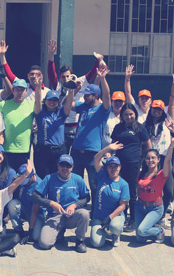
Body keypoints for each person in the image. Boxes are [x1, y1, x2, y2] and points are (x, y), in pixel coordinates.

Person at [65, 66, 112, 196]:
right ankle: (77, 208)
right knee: (75, 183)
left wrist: (102, 79)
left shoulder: (103, 109)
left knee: (94, 184)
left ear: (95, 96)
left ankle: (95, 211)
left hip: (93, 153)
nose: (84, 97)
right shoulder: (83, 106)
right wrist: (71, 91)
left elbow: (107, 96)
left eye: (87, 95)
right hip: (76, 151)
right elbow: (67, 107)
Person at [30, 154, 91, 252]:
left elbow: (87, 197)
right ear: (57, 165)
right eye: (62, 165)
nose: (65, 168)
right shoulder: (49, 178)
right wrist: (51, 203)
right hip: (54, 216)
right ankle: (60, 233)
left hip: (72, 215)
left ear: (72, 167)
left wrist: (74, 205)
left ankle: (80, 241)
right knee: (44, 244)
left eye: (68, 166)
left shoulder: (78, 179)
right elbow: (35, 196)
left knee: (84, 214)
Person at [111, 102, 151, 227]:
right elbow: (113, 143)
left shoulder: (140, 127)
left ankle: (133, 219)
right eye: (126, 115)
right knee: (119, 190)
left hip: (133, 163)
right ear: (122, 115)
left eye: (131, 114)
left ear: (135, 114)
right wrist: (110, 154)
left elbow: (148, 146)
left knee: (132, 192)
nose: (129, 117)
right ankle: (120, 215)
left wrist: (143, 160)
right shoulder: (118, 128)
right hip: (118, 164)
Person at [89, 144, 130, 249]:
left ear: (120, 167)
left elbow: (123, 206)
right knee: (96, 244)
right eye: (110, 166)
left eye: (116, 166)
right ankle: (105, 230)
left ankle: (115, 234)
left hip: (114, 216)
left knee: (115, 227)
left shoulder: (123, 184)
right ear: (106, 168)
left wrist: (110, 217)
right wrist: (108, 148)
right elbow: (96, 158)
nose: (113, 169)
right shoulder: (102, 175)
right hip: (99, 216)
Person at [0, 77, 42, 169]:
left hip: (24, 150)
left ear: (26, 91)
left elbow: (40, 107)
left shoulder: (31, 105)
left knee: (22, 179)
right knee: (8, 178)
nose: (19, 92)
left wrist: (38, 88)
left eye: (22, 90)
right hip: (7, 149)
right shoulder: (3, 104)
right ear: (13, 91)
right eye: (17, 89)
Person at [134, 144, 174, 244]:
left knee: (142, 230)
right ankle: (151, 226)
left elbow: (168, 160)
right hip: (140, 207)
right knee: (141, 239)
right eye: (148, 158)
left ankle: (160, 230)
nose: (150, 160)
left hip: (155, 208)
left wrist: (172, 144)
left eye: (153, 158)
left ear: (158, 159)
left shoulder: (161, 174)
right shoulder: (141, 174)